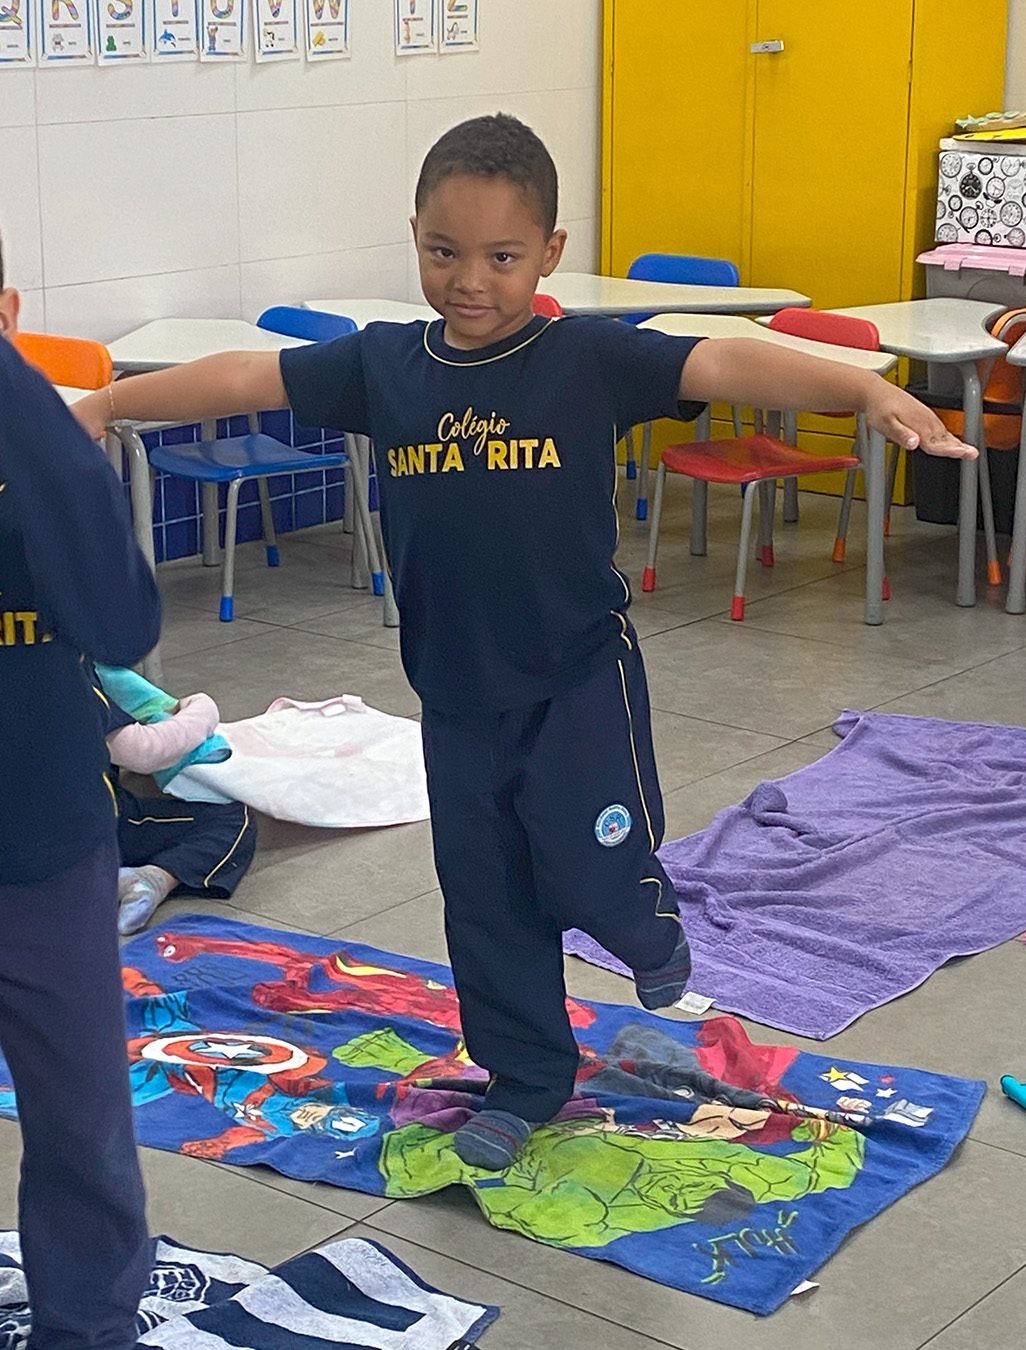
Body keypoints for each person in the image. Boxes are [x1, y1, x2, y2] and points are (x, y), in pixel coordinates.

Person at [72, 113, 977, 1171]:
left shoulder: (584, 357)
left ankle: (642, 923)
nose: (469, 280)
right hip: (456, 695)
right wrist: (109, 402)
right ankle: (525, 1079)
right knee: (488, 903)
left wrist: (866, 388)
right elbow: (244, 379)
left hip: (577, 677)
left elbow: (730, 359)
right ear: (416, 238)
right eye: (443, 251)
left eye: (501, 257)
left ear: (548, 252)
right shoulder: (385, 366)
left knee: (587, 865)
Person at [0, 241, 160, 1347]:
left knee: (82, 1115)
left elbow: (121, 620)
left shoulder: (41, 445)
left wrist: (20, 402)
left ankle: (89, 1325)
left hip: (46, 839)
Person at [94, 676, 257, 934]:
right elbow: (144, 750)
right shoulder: (69, 676)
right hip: (88, 830)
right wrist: (202, 706)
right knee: (233, 818)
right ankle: (153, 878)